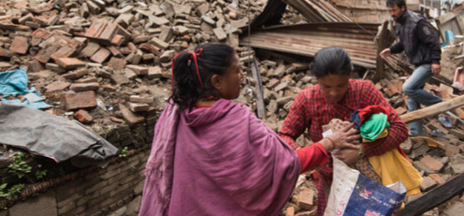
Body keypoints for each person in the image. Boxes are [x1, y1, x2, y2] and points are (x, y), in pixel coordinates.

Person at [138, 43, 359, 216]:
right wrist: (330, 143)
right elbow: (286, 163)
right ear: (216, 81)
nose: (242, 76)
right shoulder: (237, 118)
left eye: (340, 85)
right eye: (237, 71)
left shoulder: (174, 112)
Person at [279, 47, 409, 216]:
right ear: (317, 79)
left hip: (370, 179)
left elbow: (400, 129)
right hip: (332, 181)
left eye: (341, 85)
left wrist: (362, 151)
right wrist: (313, 155)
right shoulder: (307, 99)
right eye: (326, 87)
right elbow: (284, 136)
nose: (334, 93)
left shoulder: (364, 91)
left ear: (349, 76)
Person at [380, 0, 442, 136]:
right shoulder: (400, 22)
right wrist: (390, 50)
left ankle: (440, 106)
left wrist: (436, 60)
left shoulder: (417, 22)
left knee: (408, 88)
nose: (392, 14)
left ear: (402, 8)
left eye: (394, 10)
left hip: (427, 62)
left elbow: (433, 40)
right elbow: (403, 43)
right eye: (390, 11)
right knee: (411, 97)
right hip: (417, 63)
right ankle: (416, 132)